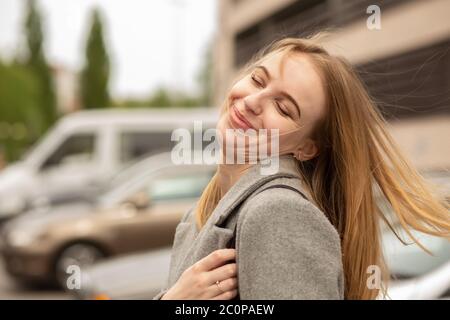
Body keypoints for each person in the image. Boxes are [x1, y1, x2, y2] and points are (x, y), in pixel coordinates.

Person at [154, 33, 450, 300]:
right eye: (258, 80)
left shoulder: (278, 213)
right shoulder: (202, 213)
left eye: (283, 108)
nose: (253, 101)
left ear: (306, 148)